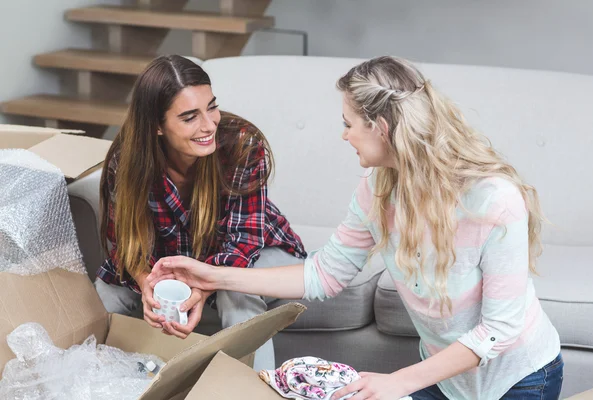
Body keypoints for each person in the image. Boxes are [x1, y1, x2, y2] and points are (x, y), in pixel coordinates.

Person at [146, 56, 563, 400]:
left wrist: (401, 381)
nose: (344, 135)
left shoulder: (493, 198)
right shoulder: (377, 189)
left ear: (380, 128)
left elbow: (500, 331)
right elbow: (324, 274)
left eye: (348, 123)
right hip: (449, 384)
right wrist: (213, 275)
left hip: (521, 380)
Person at [94, 55, 306, 371]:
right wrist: (146, 283)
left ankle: (253, 392)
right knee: (105, 294)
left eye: (211, 107)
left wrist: (200, 288)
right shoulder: (126, 161)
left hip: (254, 253)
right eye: (190, 117)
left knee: (238, 296)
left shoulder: (242, 145)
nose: (209, 125)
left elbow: (243, 244)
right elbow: (124, 245)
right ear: (157, 126)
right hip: (172, 261)